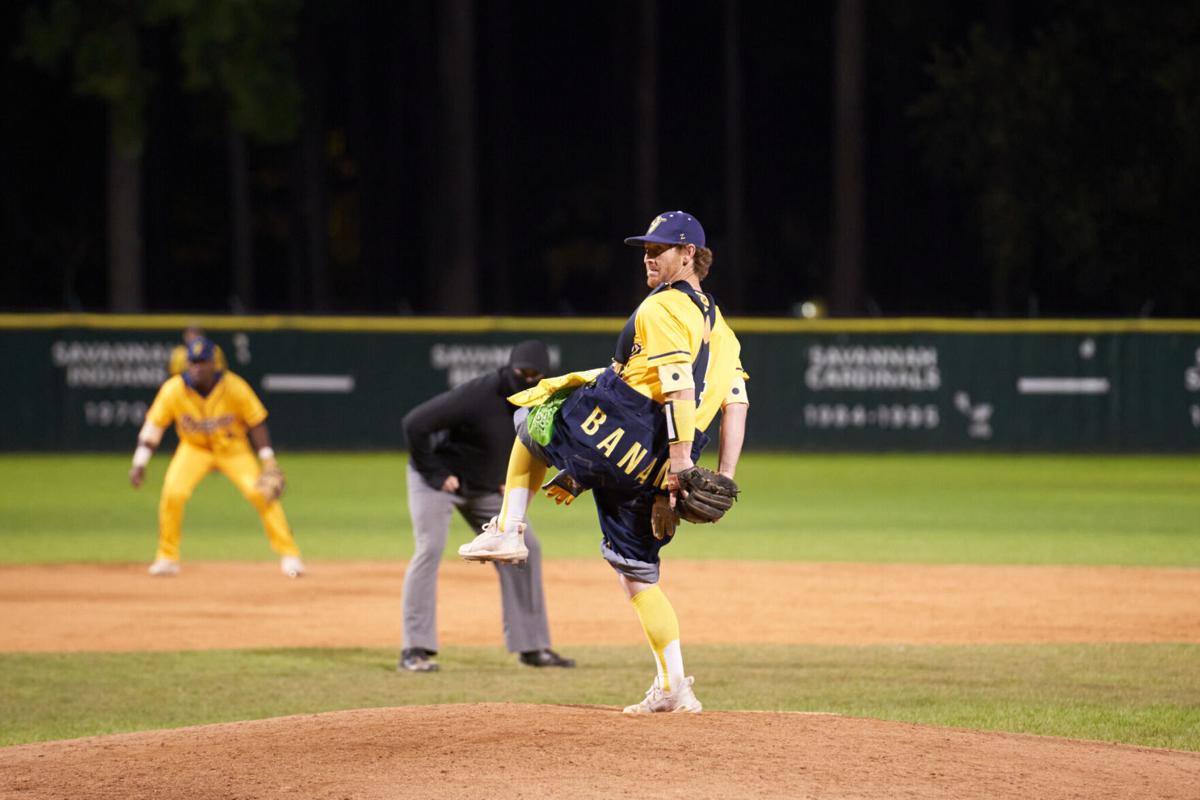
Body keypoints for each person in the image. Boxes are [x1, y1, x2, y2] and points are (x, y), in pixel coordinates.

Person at [458, 210, 749, 713]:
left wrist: (681, 465)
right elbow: (736, 403)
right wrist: (718, 475)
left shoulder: (661, 310)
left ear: (689, 256)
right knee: (636, 574)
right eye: (645, 250)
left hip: (632, 427)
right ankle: (674, 685)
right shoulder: (723, 331)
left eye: (659, 249)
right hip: (660, 464)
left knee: (534, 415)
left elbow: (678, 380)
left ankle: (509, 526)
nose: (648, 258)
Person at [399, 340, 575, 672]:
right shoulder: (478, 394)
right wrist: (435, 473)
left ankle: (532, 646)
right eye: (521, 372)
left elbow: (537, 446)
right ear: (509, 368)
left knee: (526, 550)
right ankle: (414, 649)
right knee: (430, 548)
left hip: (485, 488)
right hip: (437, 482)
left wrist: (505, 477)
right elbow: (415, 423)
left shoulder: (542, 400)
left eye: (534, 374)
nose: (526, 378)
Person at [129, 336, 305, 578]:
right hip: (194, 449)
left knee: (261, 493)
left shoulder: (234, 386)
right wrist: (139, 462)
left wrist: (268, 459)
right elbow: (154, 426)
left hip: (233, 449)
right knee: (173, 493)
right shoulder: (173, 390)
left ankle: (290, 555)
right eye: (193, 362)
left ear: (214, 364)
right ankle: (167, 557)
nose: (197, 367)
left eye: (203, 362)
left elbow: (256, 422)